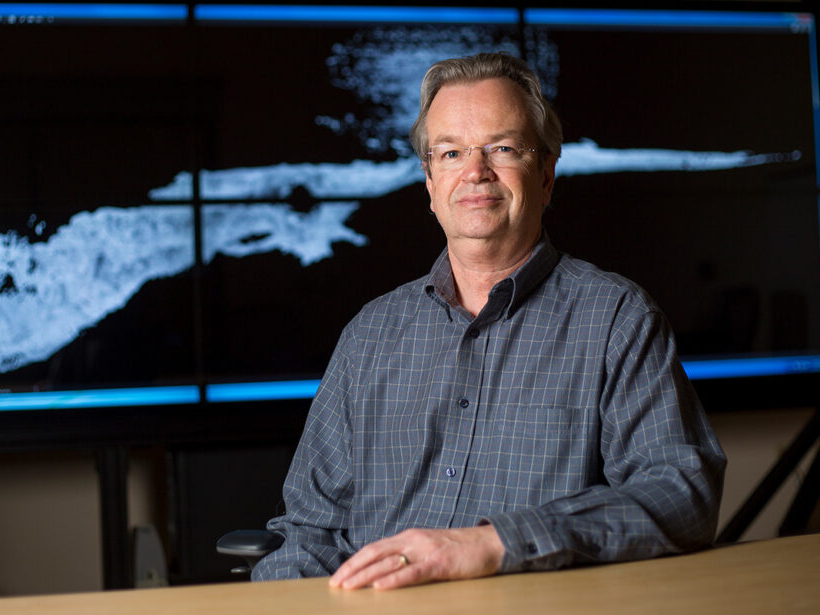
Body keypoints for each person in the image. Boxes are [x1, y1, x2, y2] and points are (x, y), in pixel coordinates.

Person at [252, 52, 726, 589]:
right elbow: (311, 534)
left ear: (546, 175)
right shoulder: (370, 335)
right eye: (451, 152)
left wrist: (492, 543)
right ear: (430, 184)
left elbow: (681, 492)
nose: (475, 172)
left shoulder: (616, 319)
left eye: (501, 148)